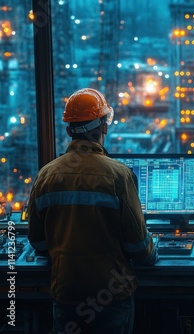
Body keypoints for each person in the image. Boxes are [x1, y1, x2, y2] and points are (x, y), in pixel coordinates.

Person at [27, 88, 158, 334]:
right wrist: (155, 250)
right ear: (104, 127)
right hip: (110, 296)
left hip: (66, 293)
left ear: (68, 131)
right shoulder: (118, 175)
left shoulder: (46, 175)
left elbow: (37, 241)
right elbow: (138, 246)